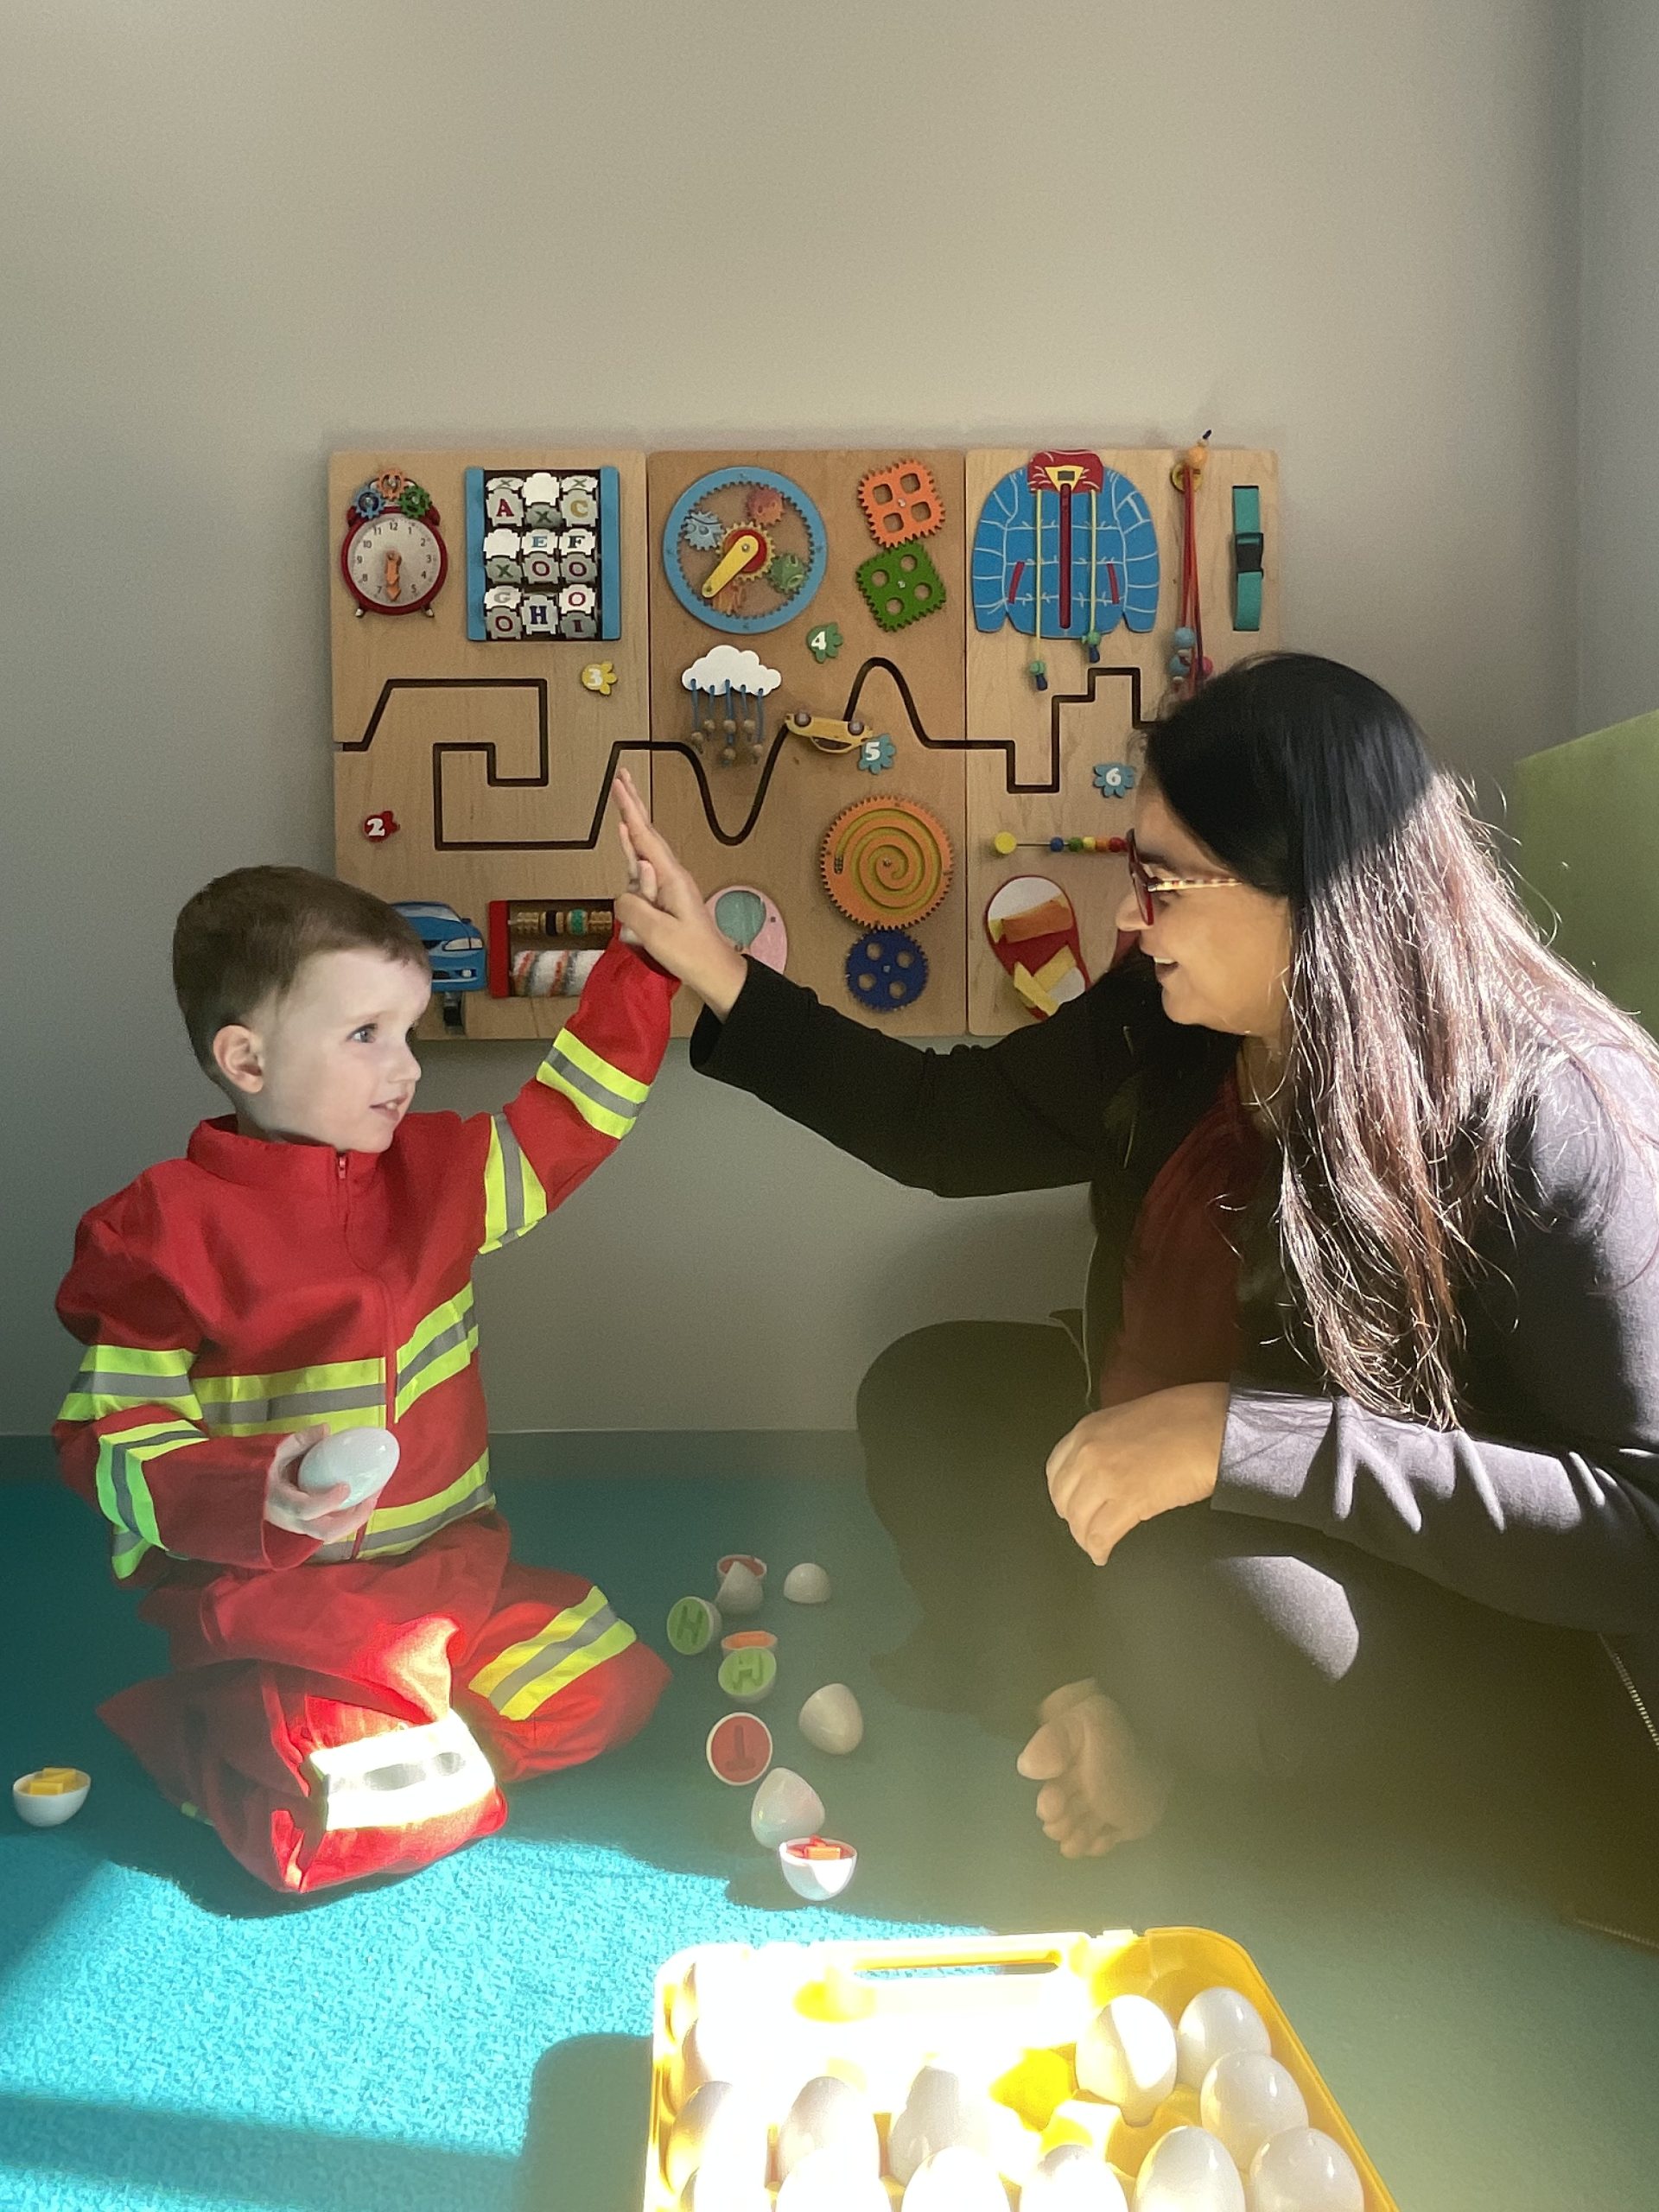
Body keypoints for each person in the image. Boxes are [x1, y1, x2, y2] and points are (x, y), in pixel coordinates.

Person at [610, 652, 1659, 1859]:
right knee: (931, 1395)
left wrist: (1242, 1437)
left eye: (1164, 882)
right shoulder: (1166, 1022)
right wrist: (718, 969)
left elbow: (1635, 1529)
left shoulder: (1552, 1105)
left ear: (1318, 887)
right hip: (1171, 1469)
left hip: (1383, 1566)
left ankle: (1156, 1719)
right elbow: (943, 1125)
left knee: (1216, 1611)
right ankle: (1091, 1711)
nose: (1125, 917)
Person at [54, 866, 673, 1893]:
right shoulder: (163, 1234)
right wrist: (256, 1491)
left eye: (409, 1032)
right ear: (246, 1059)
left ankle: (409, 1731)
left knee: (615, 1686)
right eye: (365, 1035)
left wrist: (646, 963)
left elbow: (574, 1118)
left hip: (448, 1583)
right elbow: (109, 1438)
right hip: (285, 1605)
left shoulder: (440, 1174)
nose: (408, 1067)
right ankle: (231, 1730)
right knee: (346, 1828)